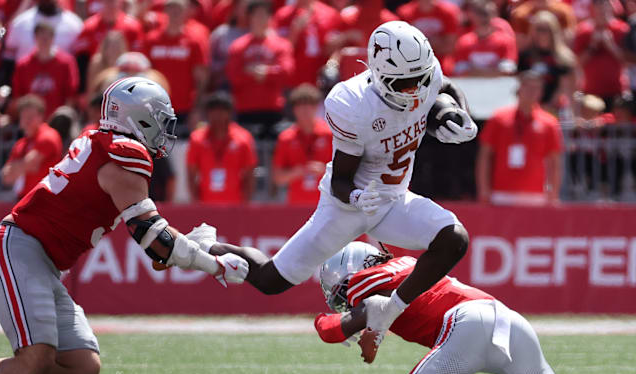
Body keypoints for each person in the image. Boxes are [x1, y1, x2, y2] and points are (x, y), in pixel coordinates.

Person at [173, 22, 478, 354]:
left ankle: (388, 310)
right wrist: (358, 197)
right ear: (380, 75)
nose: (416, 91)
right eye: (406, 84)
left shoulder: (421, 72)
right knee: (270, 280)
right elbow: (341, 180)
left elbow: (440, 88)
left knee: (453, 239)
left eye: (420, 80)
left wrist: (454, 111)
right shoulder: (353, 103)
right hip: (348, 205)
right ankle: (210, 246)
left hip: (393, 199)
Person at [0, 77, 248, 374]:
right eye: (161, 121)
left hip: (41, 261)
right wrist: (214, 264)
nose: (165, 131)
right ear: (140, 118)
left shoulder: (106, 145)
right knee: (35, 358)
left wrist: (185, 247)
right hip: (20, 247)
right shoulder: (124, 155)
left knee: (82, 366)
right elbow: (155, 241)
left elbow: (156, 248)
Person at [314, 241, 571, 374]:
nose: (345, 300)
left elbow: (333, 330)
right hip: (510, 321)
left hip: (467, 327)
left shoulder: (364, 280)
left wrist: (323, 321)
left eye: (341, 292)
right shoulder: (405, 264)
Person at [476, 70, 564, 206]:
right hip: (501, 193)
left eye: (536, 88)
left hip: (536, 194)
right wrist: (484, 189)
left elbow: (555, 161)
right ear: (518, 89)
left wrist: (554, 192)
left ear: (541, 92)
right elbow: (485, 156)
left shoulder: (549, 123)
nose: (531, 91)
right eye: (527, 86)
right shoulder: (498, 118)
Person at [227, 0, 293, 140]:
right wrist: (254, 75)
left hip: (273, 109)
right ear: (249, 18)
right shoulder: (238, 46)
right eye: (256, 15)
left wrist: (265, 73)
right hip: (245, 109)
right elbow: (233, 75)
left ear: (270, 18)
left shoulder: (281, 45)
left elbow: (287, 72)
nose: (259, 19)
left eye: (263, 15)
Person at [144, 0, 209, 138]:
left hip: (184, 109)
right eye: (171, 9)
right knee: (156, 154)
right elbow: (144, 75)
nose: (175, 13)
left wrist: (197, 110)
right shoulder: (151, 40)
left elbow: (201, 79)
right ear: (165, 12)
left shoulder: (193, 42)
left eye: (179, 9)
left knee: (180, 154)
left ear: (186, 12)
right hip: (156, 108)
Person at [186, 92, 257, 203]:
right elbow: (191, 174)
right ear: (208, 113)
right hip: (206, 203)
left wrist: (246, 203)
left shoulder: (243, 138)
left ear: (229, 113)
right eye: (213, 110)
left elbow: (250, 174)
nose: (217, 115)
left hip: (235, 204)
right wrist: (196, 202)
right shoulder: (197, 139)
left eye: (222, 110)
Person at [272, 84, 332, 205]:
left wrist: (325, 170)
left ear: (316, 107)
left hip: (326, 204)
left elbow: (344, 172)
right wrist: (297, 172)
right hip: (296, 205)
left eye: (310, 105)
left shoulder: (329, 134)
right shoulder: (286, 138)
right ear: (294, 109)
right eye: (300, 105)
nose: (305, 110)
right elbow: (277, 178)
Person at [12, 21, 79, 118]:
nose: (44, 41)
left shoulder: (66, 63)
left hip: (57, 119)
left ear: (53, 38)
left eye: (47, 38)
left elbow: (71, 96)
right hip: (32, 121)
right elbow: (18, 97)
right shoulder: (23, 65)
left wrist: (63, 120)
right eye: (41, 37)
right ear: (35, 38)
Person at [1, 95, 62, 199]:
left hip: (45, 198)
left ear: (41, 117)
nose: (26, 121)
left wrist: (17, 167)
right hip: (23, 198)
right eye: (23, 117)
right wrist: (23, 166)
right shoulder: (20, 144)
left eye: (30, 117)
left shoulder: (48, 135)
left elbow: (30, 163)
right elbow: (6, 177)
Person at [517, 11, 577, 114]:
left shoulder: (563, 58)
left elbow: (565, 86)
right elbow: (520, 81)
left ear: (553, 31)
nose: (541, 33)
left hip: (555, 108)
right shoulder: (525, 55)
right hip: (529, 108)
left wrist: (548, 105)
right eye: (538, 29)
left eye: (545, 30)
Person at [573, 0, 628, 110]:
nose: (602, 10)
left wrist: (611, 46)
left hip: (616, 90)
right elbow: (577, 63)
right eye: (598, 6)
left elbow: (628, 62)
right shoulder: (584, 31)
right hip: (590, 92)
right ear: (592, 9)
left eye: (604, 5)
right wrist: (592, 46)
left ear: (611, 7)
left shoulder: (622, 29)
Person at [272, 0, 340, 87]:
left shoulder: (330, 14)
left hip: (319, 81)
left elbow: (335, 50)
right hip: (292, 82)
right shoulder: (282, 15)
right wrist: (294, 32)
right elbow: (276, 52)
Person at [449, 0, 516, 77]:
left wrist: (475, 72)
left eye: (486, 13)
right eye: (479, 13)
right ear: (471, 15)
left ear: (494, 14)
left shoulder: (505, 41)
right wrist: (493, 72)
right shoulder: (464, 41)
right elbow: (461, 71)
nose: (483, 18)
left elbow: (507, 70)